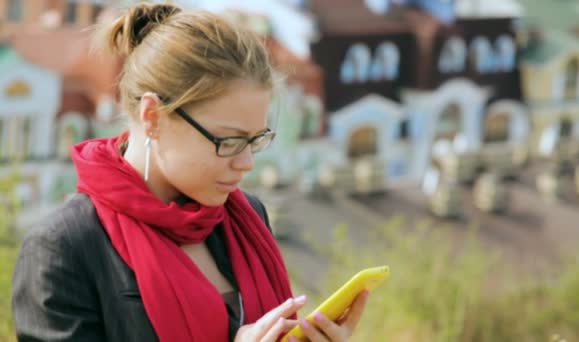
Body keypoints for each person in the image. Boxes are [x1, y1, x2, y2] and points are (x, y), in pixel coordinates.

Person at [11, 2, 369, 342]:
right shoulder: (65, 247)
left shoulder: (247, 216)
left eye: (255, 140)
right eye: (228, 141)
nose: (246, 162)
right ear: (152, 116)